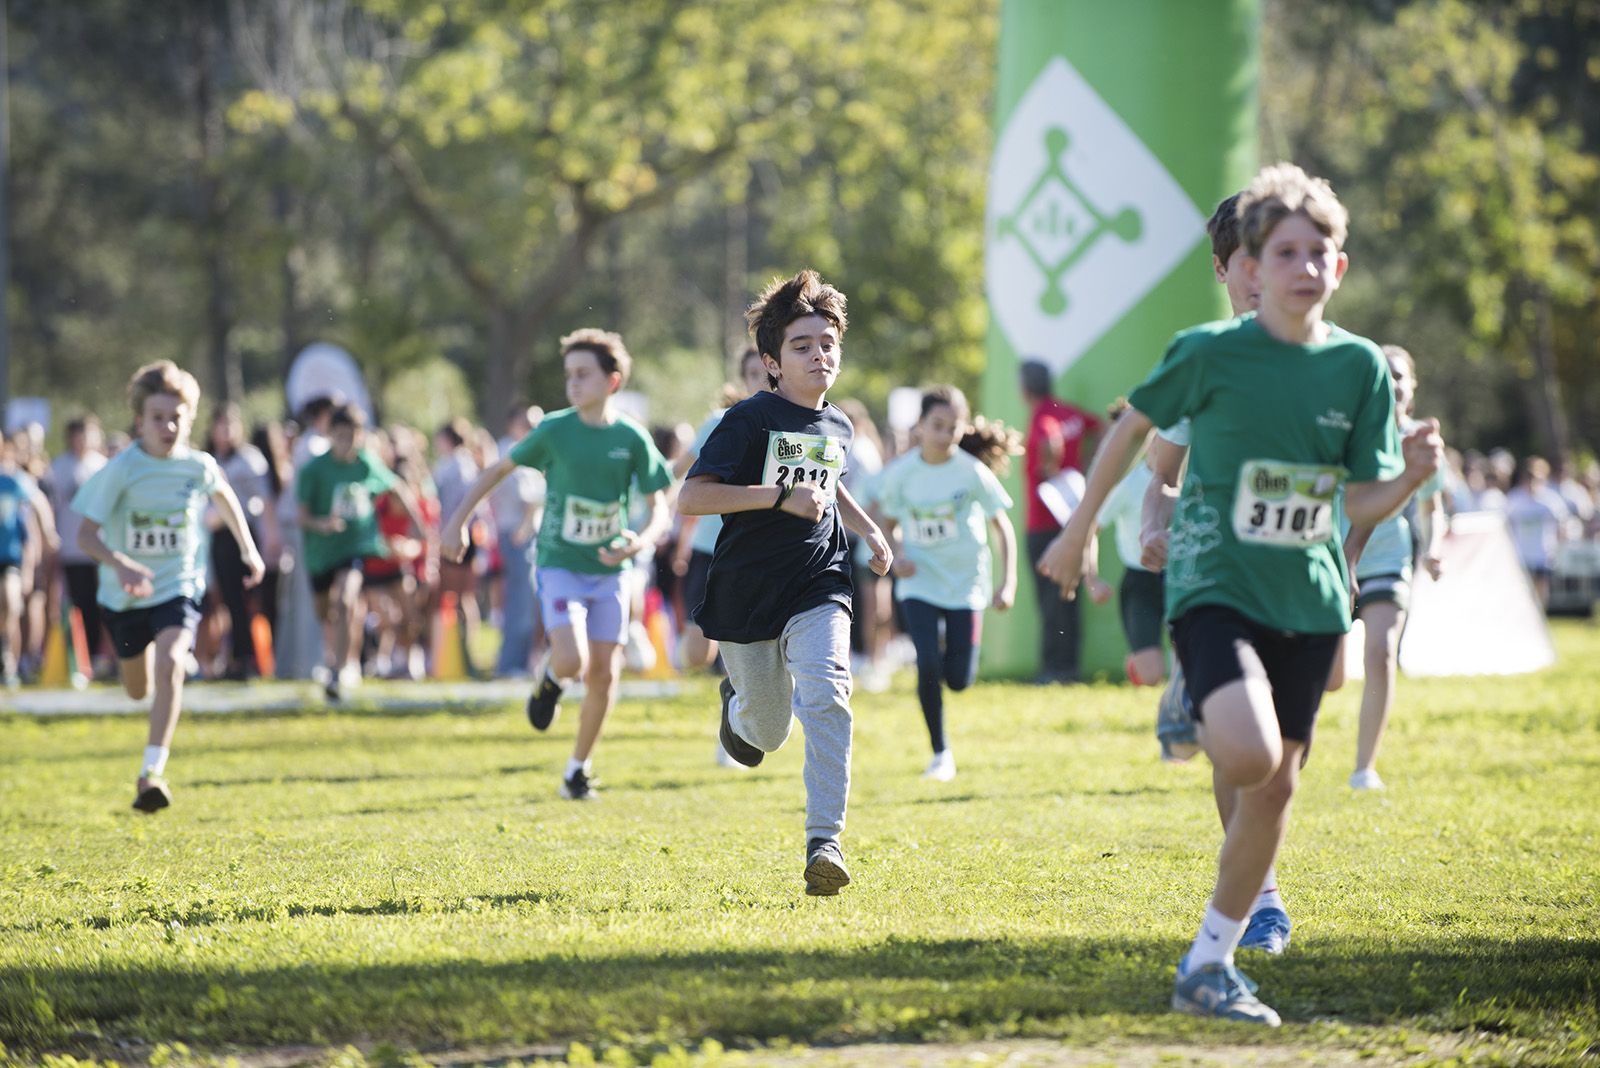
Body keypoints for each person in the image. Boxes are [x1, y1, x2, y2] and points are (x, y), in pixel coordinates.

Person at [1038, 163, 1443, 1025]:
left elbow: (1357, 499)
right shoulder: (1210, 354)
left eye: (1317, 252)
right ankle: (1197, 699)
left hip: (1307, 594)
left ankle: (1211, 965)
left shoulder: (1361, 370)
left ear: (1338, 268)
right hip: (1216, 581)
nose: (1301, 266)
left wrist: (1406, 479)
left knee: (1277, 787)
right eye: (1282, 251)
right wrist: (1078, 533)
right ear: (1251, 264)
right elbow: (1134, 432)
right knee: (1254, 757)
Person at [678, 269, 893, 896]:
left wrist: (868, 530)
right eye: (802, 345)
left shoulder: (840, 426)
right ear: (772, 362)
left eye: (828, 342)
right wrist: (777, 499)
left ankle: (824, 841)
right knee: (768, 733)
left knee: (828, 692)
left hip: (818, 580)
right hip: (747, 592)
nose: (819, 354)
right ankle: (739, 708)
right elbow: (691, 498)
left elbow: (830, 482)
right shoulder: (745, 420)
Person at [442, 328, 674, 802]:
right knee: (572, 659)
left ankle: (577, 768)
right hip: (558, 565)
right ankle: (550, 680)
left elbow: (660, 506)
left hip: (611, 568)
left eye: (583, 374)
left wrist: (640, 542)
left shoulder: (631, 438)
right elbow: (496, 471)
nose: (573, 383)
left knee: (605, 676)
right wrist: (457, 522)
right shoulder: (553, 429)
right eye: (569, 375)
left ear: (613, 381)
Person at [72, 360, 266, 812]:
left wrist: (248, 549)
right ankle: (143, 679)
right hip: (124, 597)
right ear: (140, 421)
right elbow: (83, 534)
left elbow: (224, 495)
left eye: (177, 417)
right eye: (158, 418)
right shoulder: (122, 470)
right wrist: (121, 565)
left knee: (173, 664)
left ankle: (152, 773)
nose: (169, 425)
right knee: (138, 688)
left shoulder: (197, 466)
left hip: (177, 586)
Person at [874, 385, 1018, 781]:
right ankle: (940, 753)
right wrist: (896, 555)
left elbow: (1003, 528)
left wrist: (1008, 583)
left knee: (958, 679)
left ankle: (948, 659)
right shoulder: (901, 474)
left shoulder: (972, 472)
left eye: (953, 427)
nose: (945, 434)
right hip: (919, 581)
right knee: (926, 662)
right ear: (919, 426)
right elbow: (888, 526)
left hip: (966, 584)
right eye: (937, 425)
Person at [1336, 346, 1446, 791]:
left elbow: (1432, 507)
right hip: (1336, 558)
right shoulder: (1344, 434)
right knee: (1328, 678)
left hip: (1388, 560)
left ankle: (1365, 768)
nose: (1392, 383)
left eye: (1400, 376)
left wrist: (1434, 548)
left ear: (1412, 387)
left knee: (1380, 653)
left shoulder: (1421, 440)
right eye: (1384, 375)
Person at [298, 404, 429, 699]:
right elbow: (301, 515)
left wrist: (418, 524)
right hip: (320, 552)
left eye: (354, 436)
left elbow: (397, 488)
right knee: (324, 610)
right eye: (342, 436)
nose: (348, 443)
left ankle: (340, 670)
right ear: (331, 435)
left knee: (345, 600)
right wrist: (323, 524)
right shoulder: (314, 470)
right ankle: (334, 656)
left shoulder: (367, 463)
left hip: (355, 547)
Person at [671, 347, 769, 676]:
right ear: (743, 380)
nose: (762, 381)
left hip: (757, 551)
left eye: (767, 374)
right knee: (696, 653)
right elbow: (679, 469)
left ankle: (737, 689)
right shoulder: (719, 421)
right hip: (710, 548)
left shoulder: (789, 425)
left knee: (752, 646)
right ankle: (728, 676)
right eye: (754, 374)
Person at [1019, 359, 1101, 684]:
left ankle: (1054, 669)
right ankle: (1067, 666)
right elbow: (1100, 428)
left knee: (1050, 600)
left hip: (1043, 522)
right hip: (1071, 517)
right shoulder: (1070, 411)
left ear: (1024, 388)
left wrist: (1049, 467)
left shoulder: (1043, 415)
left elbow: (1047, 439)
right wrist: (1085, 464)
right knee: (1068, 597)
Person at [1095, 399, 1167, 693]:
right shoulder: (1128, 486)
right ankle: (1138, 663)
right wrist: (1091, 578)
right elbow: (1091, 529)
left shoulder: (1190, 479)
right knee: (1152, 676)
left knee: (1193, 663)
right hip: (1140, 581)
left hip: (1180, 577)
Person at [206, 404, 283, 679]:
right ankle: (238, 657)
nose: (226, 432)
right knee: (228, 601)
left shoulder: (249, 459)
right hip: (217, 539)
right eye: (221, 425)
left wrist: (272, 535)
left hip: (242, 535)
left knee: (247, 600)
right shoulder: (212, 460)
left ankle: (249, 660)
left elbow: (265, 500)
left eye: (231, 425)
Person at [46, 416, 110, 674]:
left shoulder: (103, 466)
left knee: (103, 603)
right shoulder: (59, 468)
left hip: (101, 548)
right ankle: (81, 658)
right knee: (79, 605)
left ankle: (103, 656)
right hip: (72, 549)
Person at [491, 404, 546, 678]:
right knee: (521, 604)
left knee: (526, 601)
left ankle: (520, 662)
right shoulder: (513, 452)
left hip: (520, 535)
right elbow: (531, 501)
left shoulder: (514, 451)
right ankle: (511, 664)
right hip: (518, 536)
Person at [2, 438, 60, 686]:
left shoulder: (11, 479)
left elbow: (37, 501)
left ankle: (10, 660)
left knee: (11, 604)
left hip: (8, 556)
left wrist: (48, 533)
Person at [1504, 455, 1570, 607]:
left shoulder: (1550, 499)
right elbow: (1506, 524)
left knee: (1541, 590)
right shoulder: (1515, 498)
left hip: (1543, 554)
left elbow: (1562, 524)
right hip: (1521, 554)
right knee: (1522, 590)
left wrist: (1557, 548)